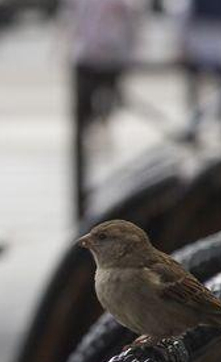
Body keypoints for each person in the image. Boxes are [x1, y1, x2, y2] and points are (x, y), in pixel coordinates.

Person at [64, 0, 140, 219]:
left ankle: (101, 127)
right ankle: (95, 132)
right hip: (89, 57)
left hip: (106, 57)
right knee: (84, 119)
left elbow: (132, 25)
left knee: (105, 106)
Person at [181, 0, 221, 142]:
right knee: (202, 89)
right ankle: (197, 125)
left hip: (213, 43)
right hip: (203, 43)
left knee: (220, 88)